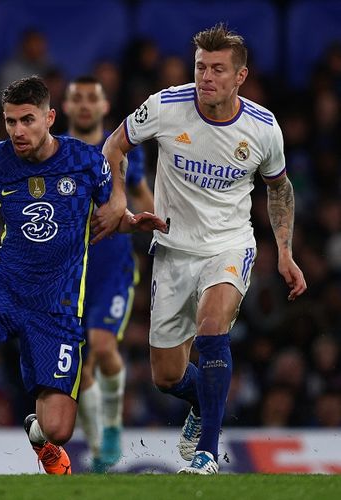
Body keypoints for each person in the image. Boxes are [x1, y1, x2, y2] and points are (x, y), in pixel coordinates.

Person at [0, 75, 165, 475]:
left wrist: (133, 221)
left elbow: (111, 217)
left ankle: (39, 436)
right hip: (7, 284)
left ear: (49, 117)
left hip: (57, 304)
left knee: (59, 429)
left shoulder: (84, 161)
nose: (17, 131)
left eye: (27, 120)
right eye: (10, 122)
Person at [102, 24, 307, 474]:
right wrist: (119, 199)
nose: (206, 77)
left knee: (212, 329)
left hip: (229, 243)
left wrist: (286, 253)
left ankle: (207, 454)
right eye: (200, 67)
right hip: (173, 249)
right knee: (167, 376)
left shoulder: (263, 127)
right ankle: (201, 400)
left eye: (217, 69)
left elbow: (279, 189)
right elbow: (114, 145)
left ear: (240, 76)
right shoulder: (164, 106)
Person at [62, 76, 154, 473]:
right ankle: (98, 449)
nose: (84, 106)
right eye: (77, 99)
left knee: (101, 345)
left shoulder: (121, 150)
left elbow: (144, 198)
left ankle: (113, 426)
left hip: (114, 268)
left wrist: (155, 234)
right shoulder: (55, 153)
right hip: (69, 270)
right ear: (65, 108)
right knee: (80, 367)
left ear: (104, 107)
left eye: (91, 99)